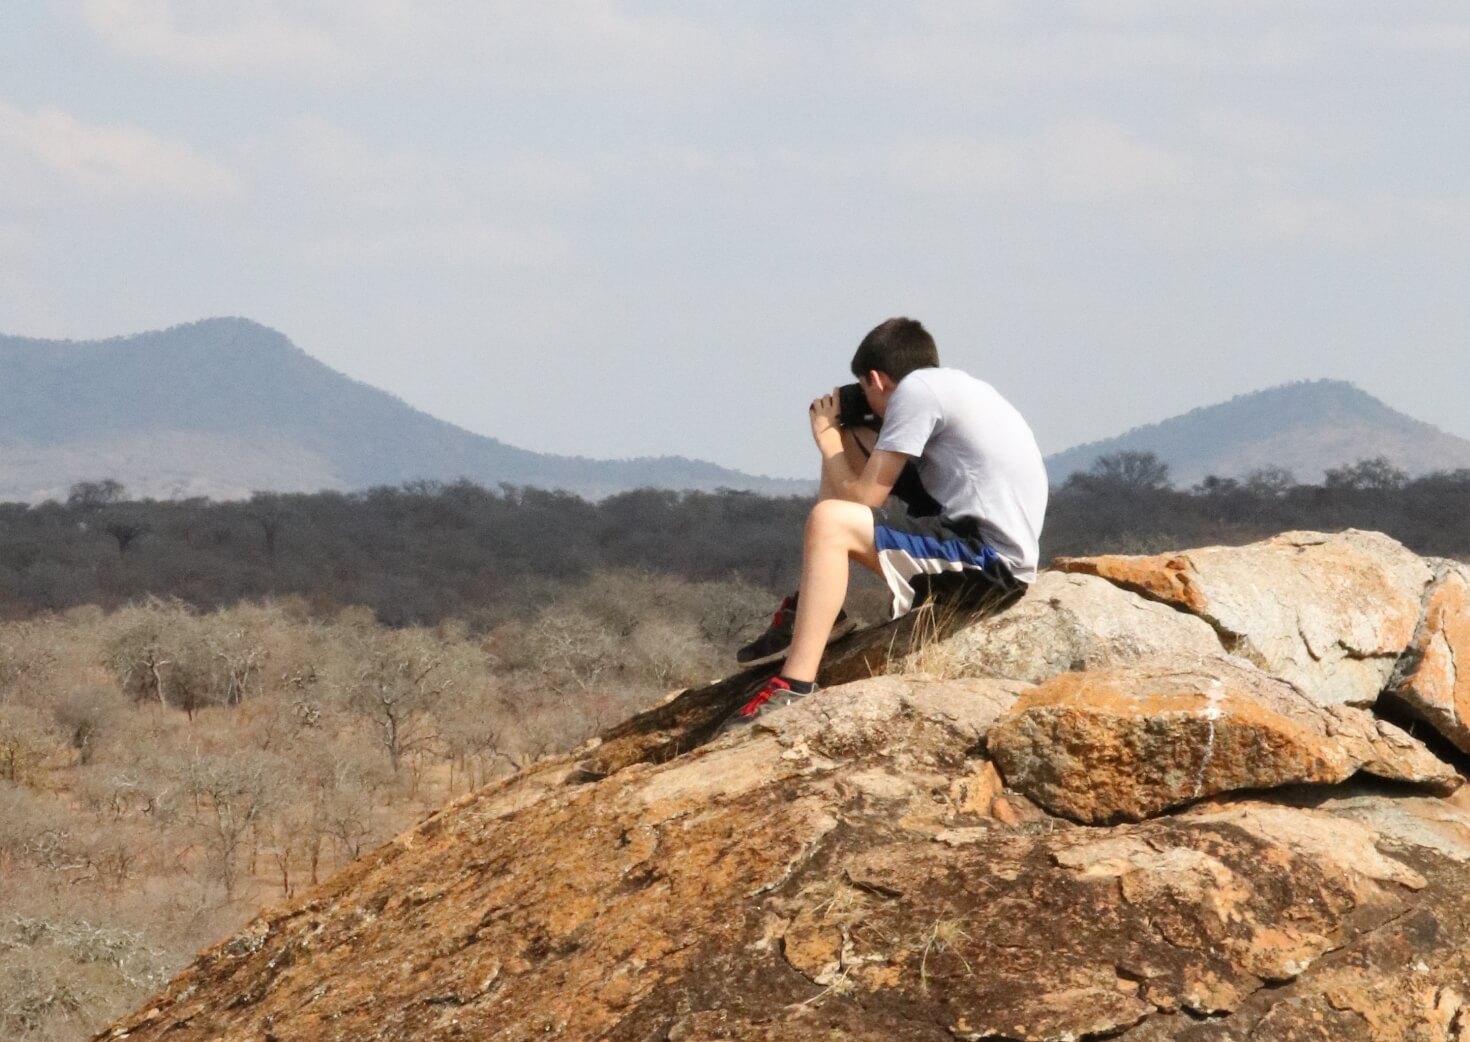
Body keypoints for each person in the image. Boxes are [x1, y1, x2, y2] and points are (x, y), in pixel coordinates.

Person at [731, 317, 1048, 722]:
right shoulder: (955, 385)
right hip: (973, 533)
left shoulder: (915, 393)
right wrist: (842, 433)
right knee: (851, 439)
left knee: (830, 521)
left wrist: (827, 442)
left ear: (877, 380)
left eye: (865, 389)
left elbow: (865, 497)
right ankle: (813, 612)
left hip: (990, 563)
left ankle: (794, 686)